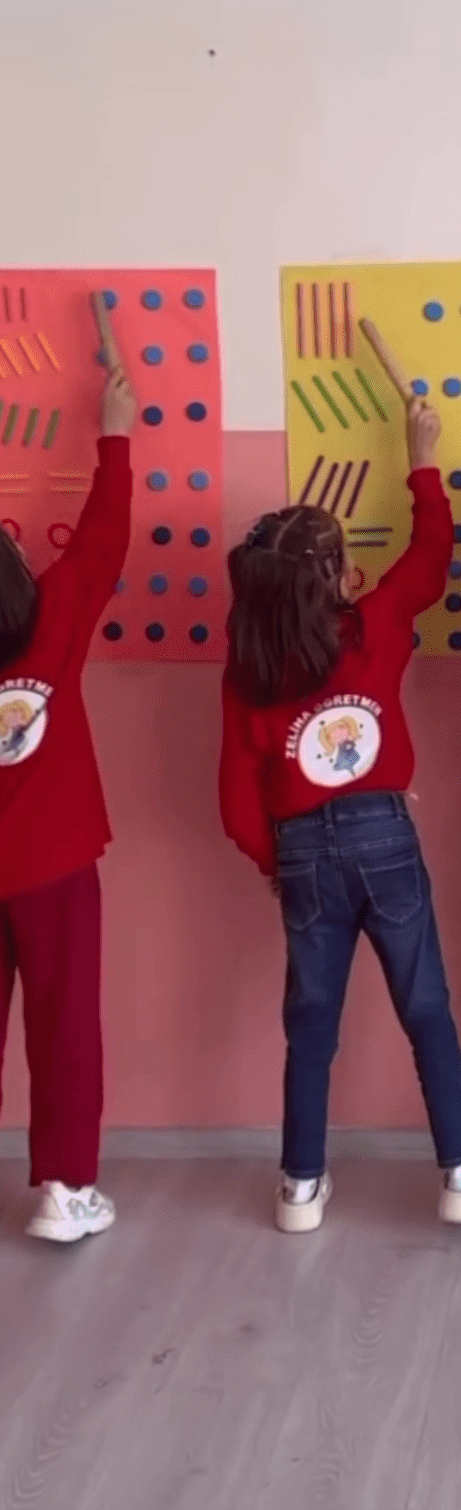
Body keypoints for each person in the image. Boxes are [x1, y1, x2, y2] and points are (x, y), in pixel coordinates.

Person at [219, 385, 461, 1233]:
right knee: (427, 1010)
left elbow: (235, 795)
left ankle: (301, 1186)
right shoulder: (375, 623)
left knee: (311, 1025)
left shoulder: (249, 672)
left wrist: (273, 861)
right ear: (338, 578)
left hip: (300, 850)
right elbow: (432, 553)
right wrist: (422, 456)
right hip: (385, 838)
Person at [0, 362, 136, 1242]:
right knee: (65, 1027)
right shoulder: (50, 618)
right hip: (53, 866)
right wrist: (115, 433)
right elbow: (104, 535)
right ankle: (65, 1188)